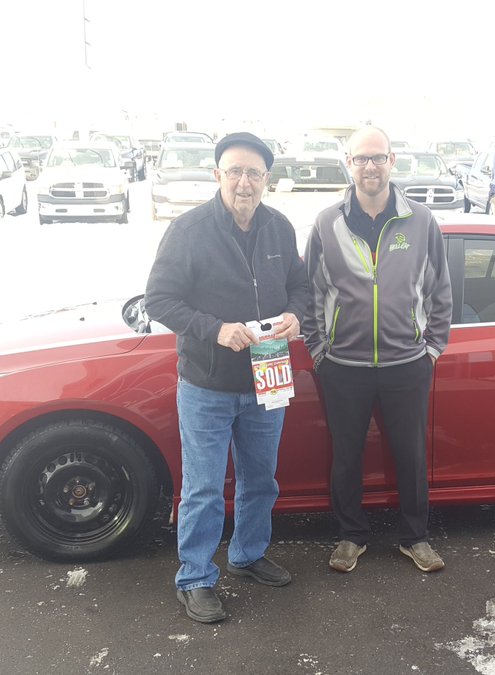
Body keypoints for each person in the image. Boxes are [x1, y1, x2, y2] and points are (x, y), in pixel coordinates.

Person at [145, 131, 310, 624]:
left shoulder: (279, 228)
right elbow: (160, 299)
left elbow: (299, 287)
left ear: (266, 179)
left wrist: (296, 316)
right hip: (207, 383)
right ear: (217, 174)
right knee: (203, 486)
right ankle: (194, 577)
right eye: (235, 171)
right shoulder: (189, 229)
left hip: (268, 374)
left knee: (261, 480)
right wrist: (214, 329)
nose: (244, 181)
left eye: (254, 173)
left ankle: (247, 555)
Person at [303, 126, 453, 574]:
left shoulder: (421, 221)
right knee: (346, 455)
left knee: (410, 454)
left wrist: (432, 349)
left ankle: (415, 537)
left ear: (392, 162)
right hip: (343, 366)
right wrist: (317, 351)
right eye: (360, 159)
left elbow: (440, 289)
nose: (370, 166)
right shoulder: (327, 222)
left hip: (406, 364)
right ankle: (351, 536)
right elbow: (310, 292)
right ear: (347, 164)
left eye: (378, 158)